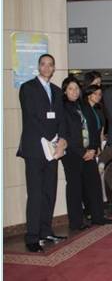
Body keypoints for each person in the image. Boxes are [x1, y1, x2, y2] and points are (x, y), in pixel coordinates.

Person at [18, 54, 68, 252]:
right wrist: (50, 139)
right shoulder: (28, 88)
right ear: (38, 67)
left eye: (50, 64)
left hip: (53, 150)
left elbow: (61, 119)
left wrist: (61, 140)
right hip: (35, 149)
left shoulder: (56, 91)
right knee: (36, 193)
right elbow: (31, 118)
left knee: (49, 191)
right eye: (43, 64)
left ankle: (46, 231)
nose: (47, 67)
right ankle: (32, 235)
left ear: (54, 68)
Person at [61, 77, 112, 231]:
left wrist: (92, 148)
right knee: (75, 188)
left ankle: (98, 216)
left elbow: (92, 129)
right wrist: (82, 151)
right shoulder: (63, 108)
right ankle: (76, 222)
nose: (74, 91)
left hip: (88, 152)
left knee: (94, 184)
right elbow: (65, 133)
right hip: (72, 154)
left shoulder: (82, 106)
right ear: (65, 91)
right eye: (70, 89)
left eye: (76, 89)